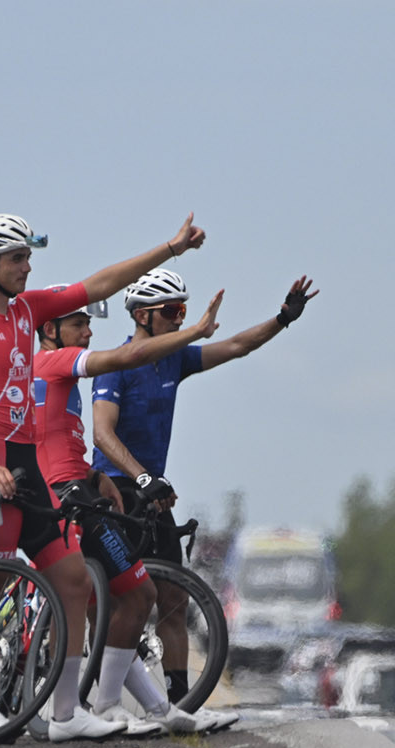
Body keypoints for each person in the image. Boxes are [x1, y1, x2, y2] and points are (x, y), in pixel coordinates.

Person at [0, 211, 206, 742]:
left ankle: (64, 714)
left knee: (73, 580)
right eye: (18, 259)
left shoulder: (30, 309)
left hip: (25, 463)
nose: (27, 267)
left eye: (28, 257)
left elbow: (102, 282)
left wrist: (171, 249)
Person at [91, 269, 317, 703]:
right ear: (142, 316)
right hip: (116, 492)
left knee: (173, 603)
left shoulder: (173, 360)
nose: (180, 319)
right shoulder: (114, 366)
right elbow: (102, 434)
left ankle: (179, 704)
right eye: (172, 312)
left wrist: (282, 318)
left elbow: (235, 346)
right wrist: (142, 478)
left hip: (151, 493)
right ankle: (100, 702)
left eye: (183, 311)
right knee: (119, 607)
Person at [32, 289, 235, 733]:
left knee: (127, 596)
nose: (88, 334)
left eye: (89, 325)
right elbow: (123, 360)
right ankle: (93, 707)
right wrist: (196, 330)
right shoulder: (52, 364)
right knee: (124, 596)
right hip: (66, 498)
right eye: (79, 325)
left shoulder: (59, 379)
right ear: (50, 330)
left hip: (79, 489)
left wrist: (92, 476)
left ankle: (156, 709)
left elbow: (55, 442)